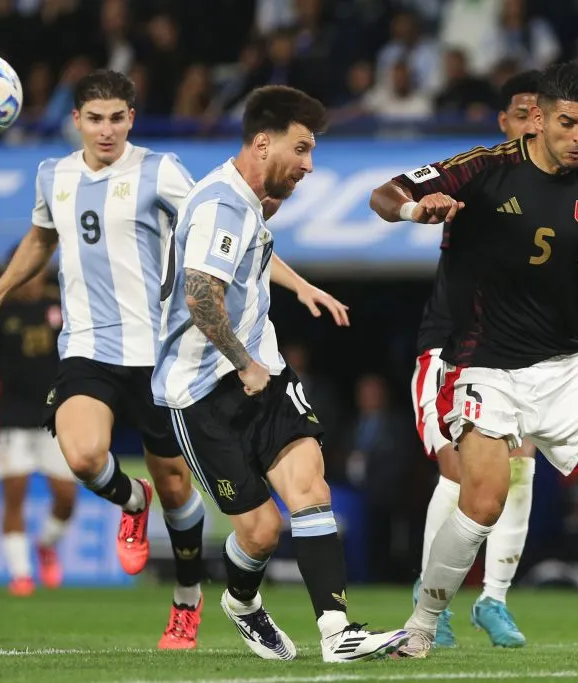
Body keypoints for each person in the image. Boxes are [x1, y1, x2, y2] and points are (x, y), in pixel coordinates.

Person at [371, 61, 578, 659]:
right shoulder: (483, 169)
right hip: (487, 363)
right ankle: (423, 624)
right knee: (482, 500)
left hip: (567, 361)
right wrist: (413, 211)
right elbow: (385, 193)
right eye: (568, 123)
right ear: (536, 121)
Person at [152, 84, 409, 663]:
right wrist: (243, 362)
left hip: (261, 373)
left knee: (311, 488)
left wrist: (302, 287)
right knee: (262, 531)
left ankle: (339, 632)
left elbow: (256, 249)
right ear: (263, 143)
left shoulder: (245, 200)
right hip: (198, 392)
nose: (310, 166)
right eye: (302, 149)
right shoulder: (221, 203)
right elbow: (200, 296)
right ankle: (242, 602)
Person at [0, 70, 207, 649]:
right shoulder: (54, 175)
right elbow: (41, 240)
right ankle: (131, 498)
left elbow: (215, 226)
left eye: (117, 118)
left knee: (177, 490)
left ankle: (186, 605)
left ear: (131, 119)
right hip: (87, 346)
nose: (106, 130)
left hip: (157, 354)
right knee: (80, 454)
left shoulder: (160, 170)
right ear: (76, 120)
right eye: (95, 119)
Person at [388, 69, 541, 649]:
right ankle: (434, 599)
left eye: (539, 112)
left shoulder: (567, 188)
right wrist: (423, 205)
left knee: (520, 471)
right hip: (450, 351)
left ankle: (493, 600)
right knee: (460, 471)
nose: (532, 123)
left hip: (516, 357)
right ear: (505, 122)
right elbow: (393, 191)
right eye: (521, 112)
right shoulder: (479, 174)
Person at [0, 267, 76, 597]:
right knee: (14, 498)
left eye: (34, 273)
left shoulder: (63, 306)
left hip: (54, 417)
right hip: (11, 418)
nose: (31, 280)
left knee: (66, 498)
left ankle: (46, 545)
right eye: (24, 275)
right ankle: (21, 575)